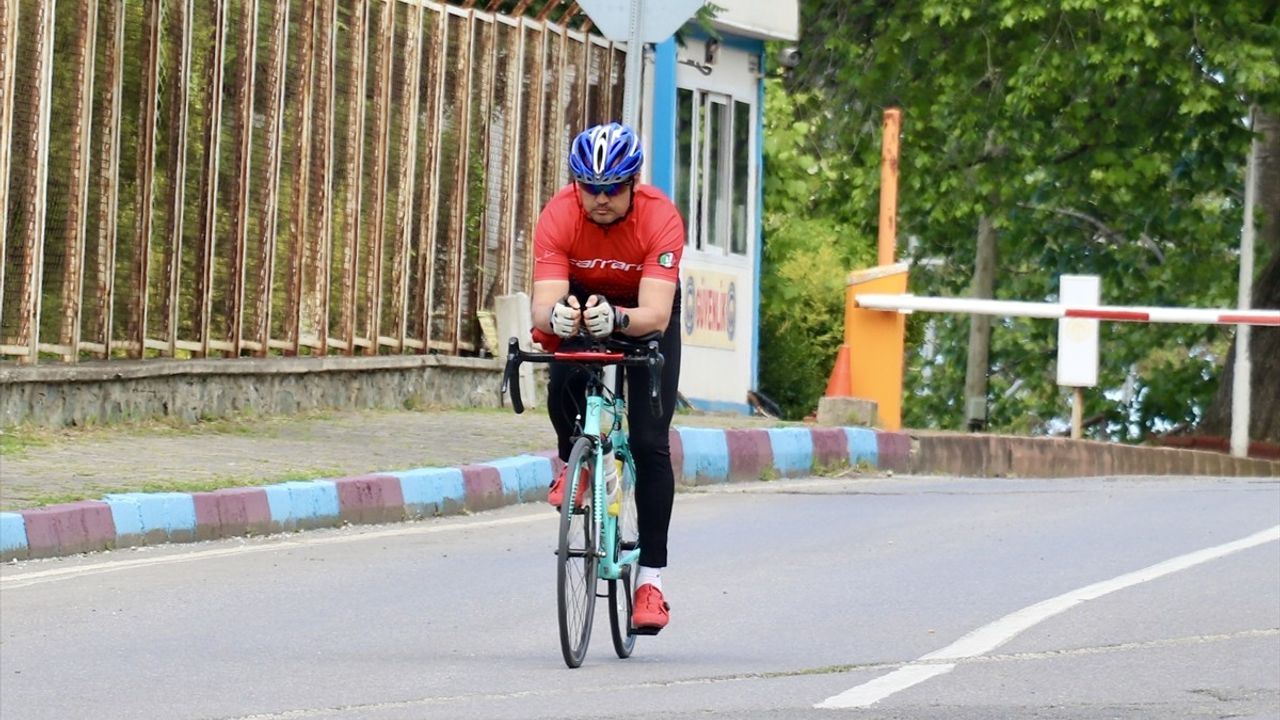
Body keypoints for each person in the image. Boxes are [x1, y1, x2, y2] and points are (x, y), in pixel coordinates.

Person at [530, 122, 684, 633]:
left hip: (641, 316)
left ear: (633, 183)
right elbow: (542, 303)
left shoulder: (660, 218)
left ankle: (651, 583)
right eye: (588, 187)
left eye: (612, 188)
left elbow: (656, 314)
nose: (599, 198)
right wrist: (555, 318)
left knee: (648, 439)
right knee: (562, 377)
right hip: (581, 305)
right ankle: (575, 462)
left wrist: (618, 319)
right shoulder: (558, 215)